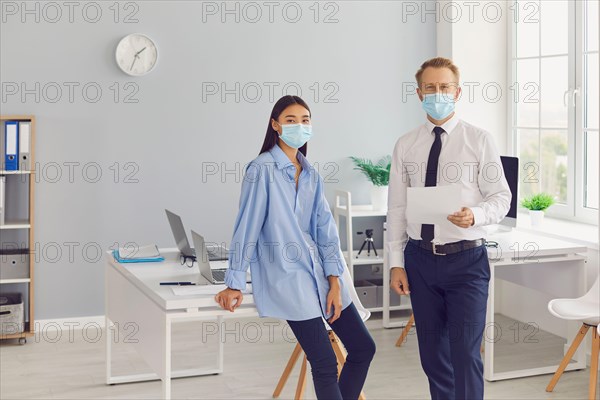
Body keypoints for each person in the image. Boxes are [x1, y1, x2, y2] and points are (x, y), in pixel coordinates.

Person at [215, 95, 376, 400]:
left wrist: (334, 281)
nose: (299, 125)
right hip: (289, 278)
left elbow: (326, 232)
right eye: (291, 120)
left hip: (324, 275)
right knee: (325, 362)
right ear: (275, 125)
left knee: (363, 348)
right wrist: (234, 282)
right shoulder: (261, 170)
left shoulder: (311, 173)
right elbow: (246, 228)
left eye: (305, 120)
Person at [386, 57, 511, 400]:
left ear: (457, 92)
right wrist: (396, 262)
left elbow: (501, 198)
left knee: (465, 353)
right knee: (432, 356)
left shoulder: (479, 140)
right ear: (418, 93)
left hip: (466, 261)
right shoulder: (405, 144)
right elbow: (397, 207)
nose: (437, 93)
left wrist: (475, 215)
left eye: (444, 87)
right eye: (430, 87)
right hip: (420, 260)